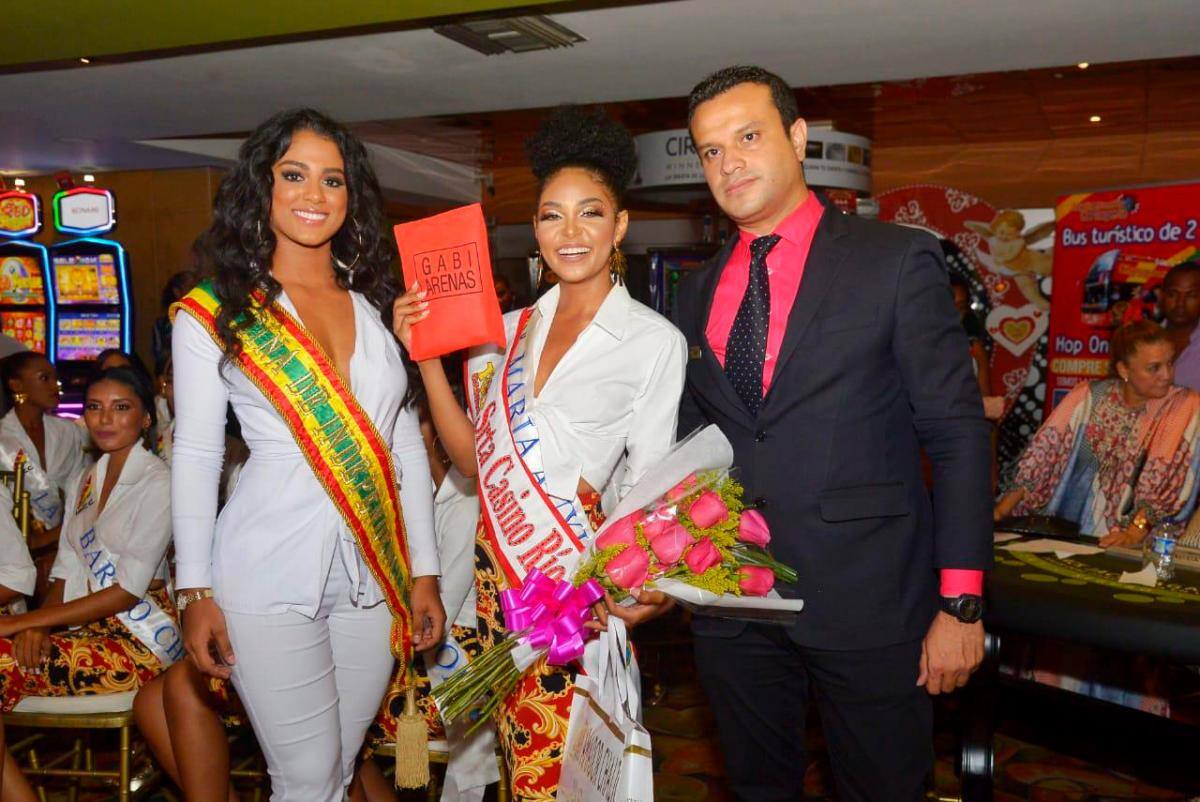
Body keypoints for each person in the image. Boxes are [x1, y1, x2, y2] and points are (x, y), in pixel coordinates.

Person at [674, 66, 992, 802]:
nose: (730, 163)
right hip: (733, 601)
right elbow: (699, 446)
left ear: (796, 136)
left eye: (748, 137)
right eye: (711, 150)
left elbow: (957, 436)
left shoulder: (894, 260)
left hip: (869, 598)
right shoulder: (697, 288)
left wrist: (962, 601)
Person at [393, 105, 686, 800]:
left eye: (591, 214)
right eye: (552, 216)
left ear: (620, 226)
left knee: (566, 776)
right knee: (516, 770)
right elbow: (469, 460)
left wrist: (642, 591)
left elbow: (649, 488)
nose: (571, 232)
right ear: (536, 230)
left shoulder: (651, 341)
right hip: (496, 593)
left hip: (572, 599)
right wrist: (428, 359)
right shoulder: (504, 331)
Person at [169, 108, 445, 802]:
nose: (314, 195)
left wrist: (427, 573)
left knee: (338, 770)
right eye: (294, 175)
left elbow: (403, 442)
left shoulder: (379, 309)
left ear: (352, 199)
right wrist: (193, 589)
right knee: (306, 776)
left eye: (333, 180)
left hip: (371, 577)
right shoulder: (216, 312)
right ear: (262, 186)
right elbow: (199, 454)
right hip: (263, 573)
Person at [0, 366, 178, 802]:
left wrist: (17, 625)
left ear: (146, 418)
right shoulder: (86, 479)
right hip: (82, 629)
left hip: (138, 638)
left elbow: (127, 591)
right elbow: (65, 569)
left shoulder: (161, 482)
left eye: (121, 408)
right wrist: (38, 626)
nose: (105, 419)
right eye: (94, 408)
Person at [995, 320, 1200, 546]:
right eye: (1154, 368)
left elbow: (1169, 481)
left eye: (1169, 363)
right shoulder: (1087, 398)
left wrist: (1134, 533)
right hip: (1063, 535)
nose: (1166, 375)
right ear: (1124, 370)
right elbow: (1041, 458)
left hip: (1139, 544)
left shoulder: (1185, 406)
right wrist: (1000, 514)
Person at [0, 352, 91, 590]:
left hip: (63, 546)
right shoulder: (2, 437)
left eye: (55, 378)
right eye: (44, 378)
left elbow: (80, 488)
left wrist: (60, 535)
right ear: (16, 384)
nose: (55, 385)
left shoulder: (68, 432)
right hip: (12, 552)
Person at [1161, 261, 1200, 391]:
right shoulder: (1140, 340)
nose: (1180, 304)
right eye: (1173, 294)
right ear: (1162, 296)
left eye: (1191, 295)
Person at [152, 269, 199, 373]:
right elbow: (160, 358)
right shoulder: (162, 324)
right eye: (191, 288)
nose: (196, 293)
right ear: (177, 292)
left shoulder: (202, 318)